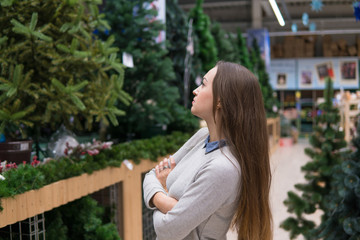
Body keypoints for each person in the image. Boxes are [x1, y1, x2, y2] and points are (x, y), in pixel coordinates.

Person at [143, 61, 272, 240]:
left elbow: (168, 229)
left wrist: (158, 195)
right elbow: (150, 175)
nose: (195, 90)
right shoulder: (201, 137)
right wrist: (175, 208)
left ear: (220, 100)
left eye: (203, 84)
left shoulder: (223, 168)